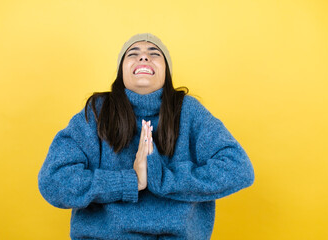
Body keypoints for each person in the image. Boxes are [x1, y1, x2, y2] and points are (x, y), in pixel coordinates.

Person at [38, 33, 255, 240]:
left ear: (166, 72)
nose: (144, 56)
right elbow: (53, 181)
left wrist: (161, 178)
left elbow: (239, 168)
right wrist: (130, 181)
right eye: (132, 53)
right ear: (121, 72)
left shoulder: (189, 111)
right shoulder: (97, 112)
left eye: (154, 53)